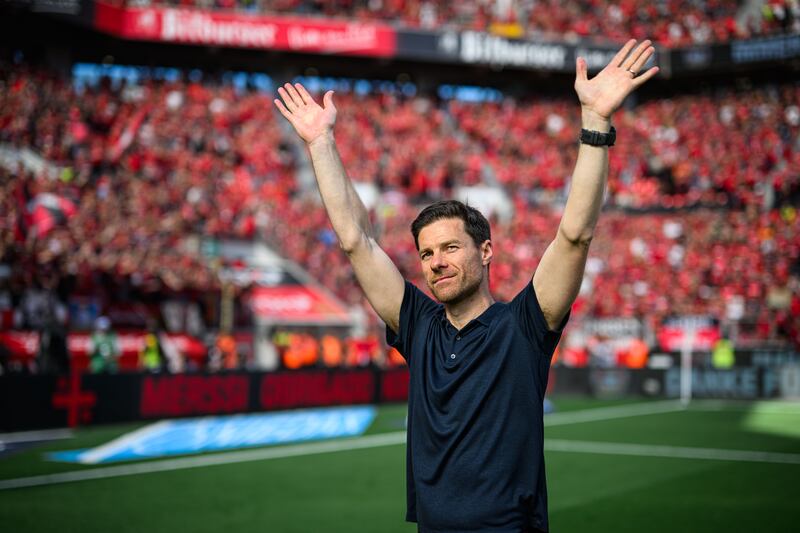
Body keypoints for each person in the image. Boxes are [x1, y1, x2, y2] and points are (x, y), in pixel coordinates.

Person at [275, 39, 659, 532]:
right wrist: (320, 143)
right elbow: (357, 242)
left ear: (485, 252)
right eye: (427, 253)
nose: (436, 262)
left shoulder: (524, 326)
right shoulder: (418, 326)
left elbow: (575, 235)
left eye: (451, 248)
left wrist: (596, 123)